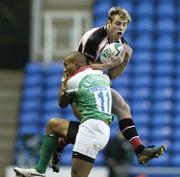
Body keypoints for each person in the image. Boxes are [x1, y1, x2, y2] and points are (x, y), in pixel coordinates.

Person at [51, 6, 166, 172]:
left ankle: (140, 150)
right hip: (79, 87)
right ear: (108, 23)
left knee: (122, 106)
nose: (121, 28)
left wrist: (124, 61)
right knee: (92, 127)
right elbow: (85, 69)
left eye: (124, 25)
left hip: (98, 86)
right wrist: (111, 63)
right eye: (118, 23)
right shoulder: (94, 39)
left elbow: (112, 75)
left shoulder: (121, 44)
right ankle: (60, 146)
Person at [14, 51, 114, 177]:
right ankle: (39, 171)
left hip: (92, 131)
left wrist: (64, 82)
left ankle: (59, 148)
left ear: (77, 64)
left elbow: (62, 104)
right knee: (54, 125)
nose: (65, 69)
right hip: (98, 128)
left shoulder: (74, 81)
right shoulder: (102, 76)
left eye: (66, 65)